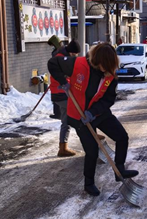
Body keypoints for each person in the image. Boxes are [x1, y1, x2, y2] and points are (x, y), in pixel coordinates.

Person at [48, 43, 139, 197]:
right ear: (97, 60)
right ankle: (89, 183)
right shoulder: (78, 64)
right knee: (91, 151)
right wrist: (62, 82)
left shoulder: (110, 73)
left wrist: (93, 112)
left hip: (99, 113)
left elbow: (109, 99)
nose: (107, 70)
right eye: (104, 65)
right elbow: (53, 63)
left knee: (122, 136)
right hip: (78, 115)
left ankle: (119, 170)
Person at [50, 39, 81, 157]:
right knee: (75, 117)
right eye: (75, 54)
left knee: (66, 120)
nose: (75, 56)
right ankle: (88, 138)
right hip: (61, 93)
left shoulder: (63, 57)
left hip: (60, 93)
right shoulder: (60, 59)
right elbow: (61, 76)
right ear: (71, 52)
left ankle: (63, 147)